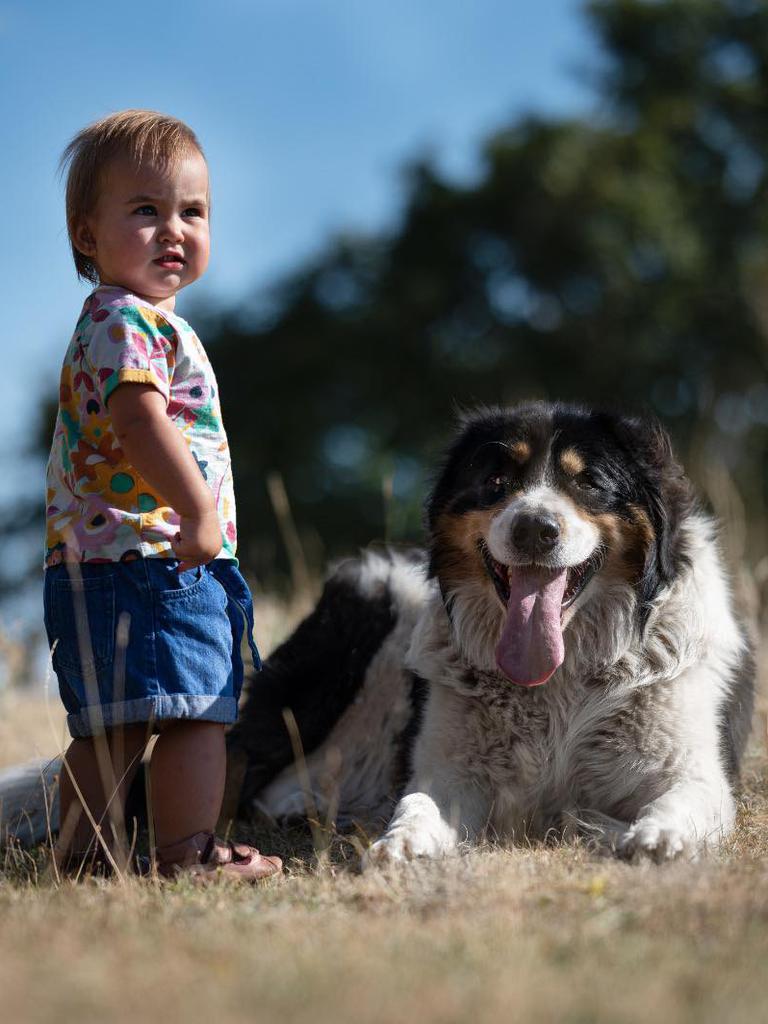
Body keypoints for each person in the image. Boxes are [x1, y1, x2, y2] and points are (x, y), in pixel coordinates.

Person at [44, 109, 282, 882]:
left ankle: (79, 857)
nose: (173, 229)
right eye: (145, 211)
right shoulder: (127, 324)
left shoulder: (120, 323)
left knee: (116, 725)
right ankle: (188, 857)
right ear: (88, 235)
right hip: (154, 554)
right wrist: (200, 511)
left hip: (103, 559)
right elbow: (140, 420)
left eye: (192, 211)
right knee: (193, 713)